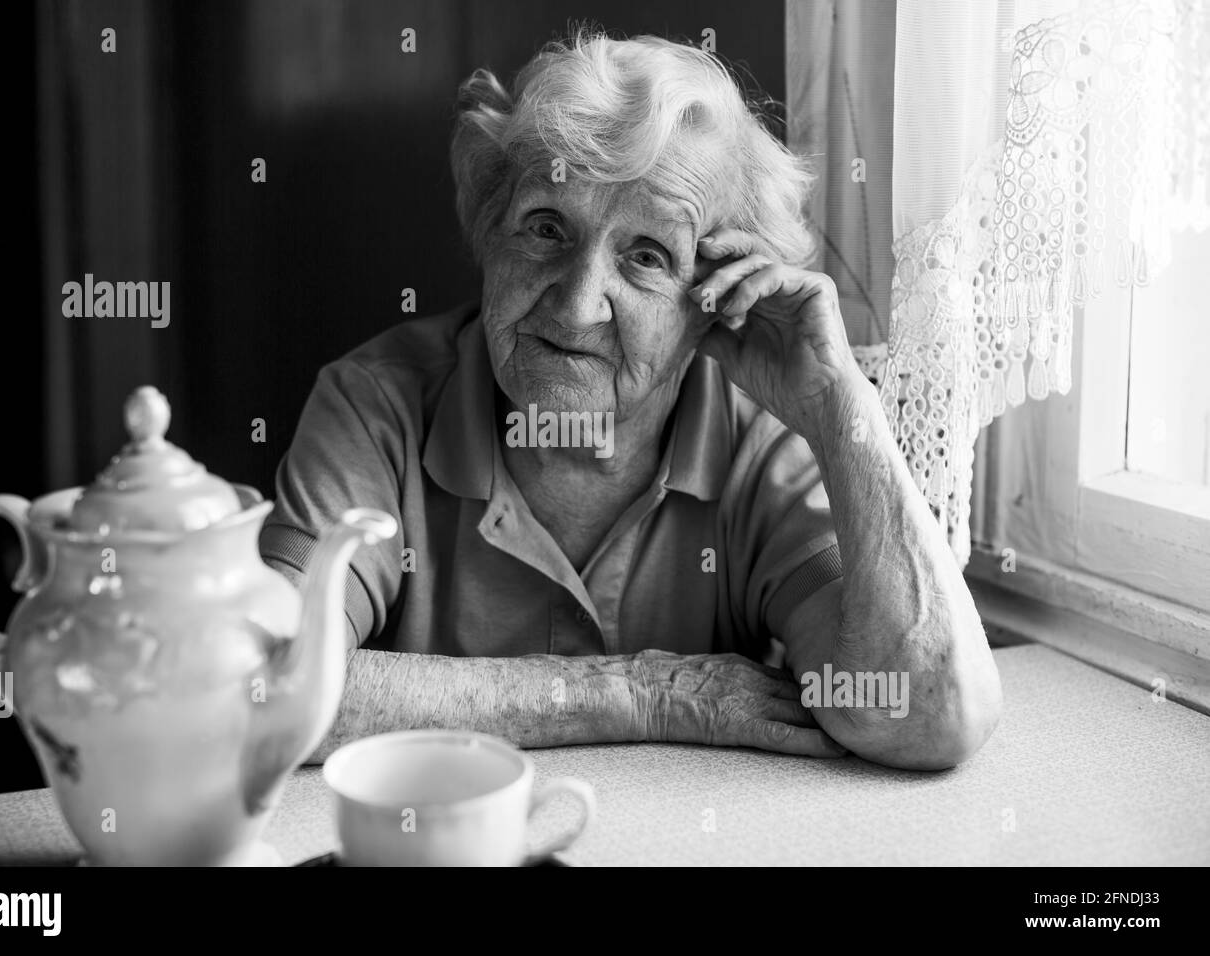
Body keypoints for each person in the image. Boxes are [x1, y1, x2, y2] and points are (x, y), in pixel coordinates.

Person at [260, 30, 1002, 770]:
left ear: (714, 296)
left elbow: (924, 713)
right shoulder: (375, 408)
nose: (579, 305)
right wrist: (640, 693)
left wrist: (844, 410)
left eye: (646, 256)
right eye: (546, 227)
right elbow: (257, 691)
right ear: (491, 231)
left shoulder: (765, 442)